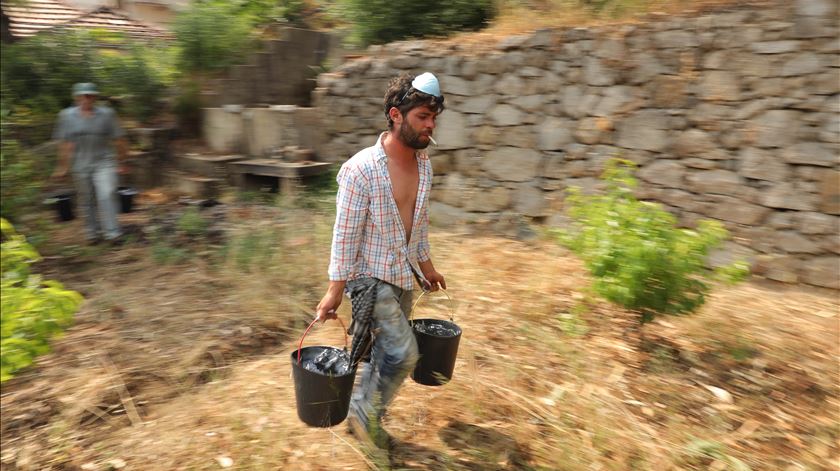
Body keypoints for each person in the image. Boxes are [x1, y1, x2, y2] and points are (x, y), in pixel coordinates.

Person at [315, 72, 447, 449]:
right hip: (367, 279)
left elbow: (417, 225)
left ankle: (364, 419)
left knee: (382, 353)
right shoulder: (361, 169)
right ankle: (361, 413)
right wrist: (334, 290)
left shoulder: (424, 168)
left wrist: (427, 268)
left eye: (433, 118)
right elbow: (345, 234)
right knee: (404, 353)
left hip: (401, 276)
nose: (430, 125)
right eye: (422, 116)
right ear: (395, 115)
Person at [51, 82, 128, 244]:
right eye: (83, 95)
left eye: (90, 95)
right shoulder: (66, 116)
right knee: (86, 199)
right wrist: (62, 166)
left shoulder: (107, 115)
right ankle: (92, 233)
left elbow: (119, 139)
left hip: (103, 161)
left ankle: (113, 234)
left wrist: (122, 160)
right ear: (76, 97)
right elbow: (64, 143)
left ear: (95, 97)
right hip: (80, 163)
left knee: (106, 194)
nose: (86, 99)